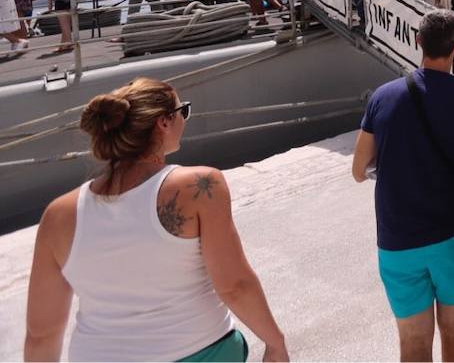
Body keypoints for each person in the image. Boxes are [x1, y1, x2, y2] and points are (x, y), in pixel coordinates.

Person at [24, 77, 288, 362]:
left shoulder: (58, 215)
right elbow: (234, 285)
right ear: (164, 122)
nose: (184, 119)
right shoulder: (199, 186)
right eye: (183, 111)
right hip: (198, 352)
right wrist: (275, 343)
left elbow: (42, 334)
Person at [351, 10, 454, 362]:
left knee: (413, 342)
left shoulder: (382, 97)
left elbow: (358, 170)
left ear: (418, 42)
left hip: (398, 239)